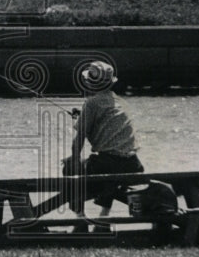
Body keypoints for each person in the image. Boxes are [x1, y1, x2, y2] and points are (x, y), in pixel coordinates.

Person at [62, 60, 144, 233]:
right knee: (110, 179)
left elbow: (79, 140)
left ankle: (80, 219)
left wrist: (74, 160)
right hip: (133, 165)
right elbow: (108, 126)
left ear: (87, 82)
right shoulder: (120, 101)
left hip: (107, 164)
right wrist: (83, 115)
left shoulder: (92, 103)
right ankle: (103, 216)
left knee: (69, 167)